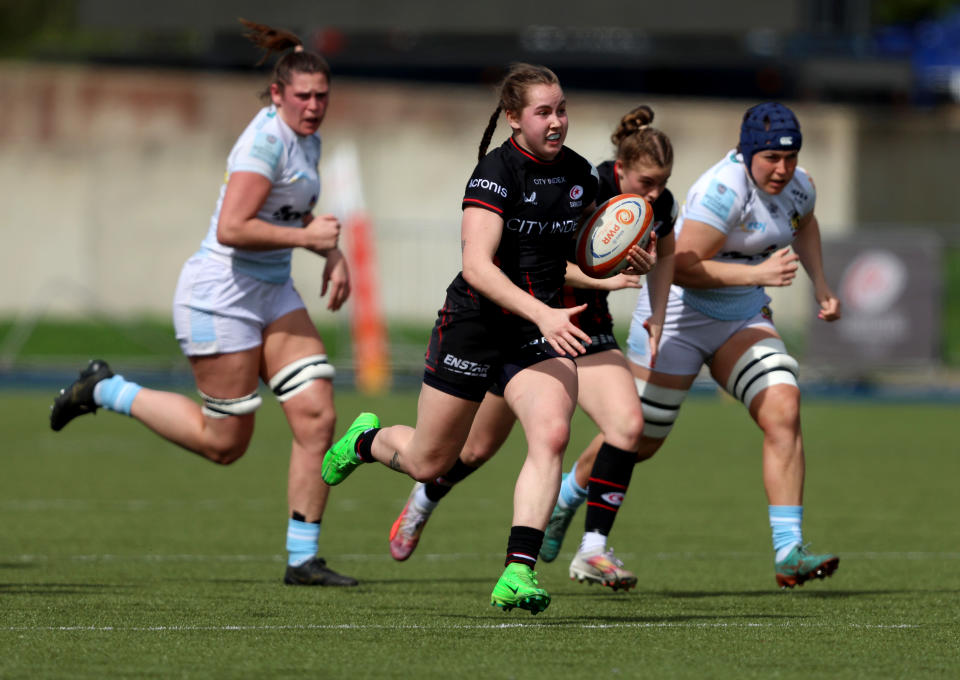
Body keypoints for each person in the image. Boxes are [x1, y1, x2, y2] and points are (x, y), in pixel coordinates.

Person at [319, 63, 654, 615]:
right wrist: (544, 313)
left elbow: (563, 261)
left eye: (562, 109)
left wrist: (612, 272)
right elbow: (477, 267)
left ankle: (517, 572)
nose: (556, 121)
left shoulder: (580, 177)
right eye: (543, 111)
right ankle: (364, 441)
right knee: (431, 461)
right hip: (474, 325)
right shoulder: (494, 175)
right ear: (514, 117)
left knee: (550, 434)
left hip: (534, 334)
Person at [48, 19, 358, 587]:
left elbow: (291, 214)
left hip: (272, 291)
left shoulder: (307, 137)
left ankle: (302, 558)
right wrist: (309, 241)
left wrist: (330, 252)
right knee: (225, 444)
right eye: (303, 97)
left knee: (317, 414)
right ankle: (105, 389)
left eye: (322, 97)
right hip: (222, 294)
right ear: (277, 94)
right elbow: (234, 225)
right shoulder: (263, 142)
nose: (314, 106)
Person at [546, 101, 842, 589]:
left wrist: (822, 284)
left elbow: (805, 222)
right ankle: (566, 497)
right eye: (770, 158)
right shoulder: (720, 191)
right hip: (681, 317)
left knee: (784, 404)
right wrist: (758, 273)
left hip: (741, 317)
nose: (782, 169)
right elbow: (680, 265)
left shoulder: (799, 184)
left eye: (790, 158)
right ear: (747, 153)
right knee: (639, 441)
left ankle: (789, 550)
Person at [385, 105, 677, 592]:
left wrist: (656, 311)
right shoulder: (586, 183)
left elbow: (664, 252)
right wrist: (600, 276)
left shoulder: (657, 204)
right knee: (474, 449)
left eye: (662, 183)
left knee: (627, 426)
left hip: (586, 327)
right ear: (620, 170)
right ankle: (423, 500)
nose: (655, 193)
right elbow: (540, 264)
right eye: (646, 182)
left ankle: (590, 550)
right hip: (528, 321)